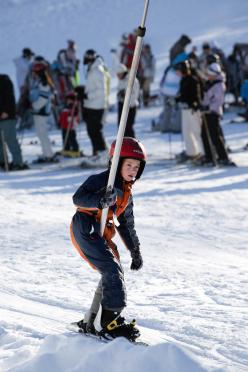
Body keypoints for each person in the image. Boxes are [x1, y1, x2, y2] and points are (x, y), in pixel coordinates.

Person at [70, 137, 146, 341]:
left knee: (112, 272)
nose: (133, 170)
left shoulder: (126, 194)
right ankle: (108, 323)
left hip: (102, 233)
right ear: (116, 164)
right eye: (128, 165)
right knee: (112, 270)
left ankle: (92, 320)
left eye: (137, 167)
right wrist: (100, 200)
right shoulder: (101, 180)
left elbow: (127, 225)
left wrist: (135, 250)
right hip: (86, 227)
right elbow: (78, 198)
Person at [202, 63, 235, 166]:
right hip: (206, 112)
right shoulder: (210, 83)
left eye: (210, 74)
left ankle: (223, 157)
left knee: (215, 135)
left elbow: (218, 101)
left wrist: (209, 107)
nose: (208, 76)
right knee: (204, 135)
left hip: (213, 113)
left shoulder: (219, 85)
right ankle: (209, 156)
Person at [82, 49, 109, 166]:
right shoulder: (92, 69)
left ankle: (103, 154)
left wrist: (87, 95)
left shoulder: (97, 70)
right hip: (91, 105)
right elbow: (92, 86)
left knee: (95, 130)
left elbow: (101, 91)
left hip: (96, 106)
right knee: (91, 130)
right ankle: (99, 153)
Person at [175, 60, 204, 163]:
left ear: (183, 70)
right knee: (187, 131)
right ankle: (191, 152)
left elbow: (197, 95)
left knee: (196, 131)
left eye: (178, 70)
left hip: (193, 110)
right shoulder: (183, 80)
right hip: (185, 109)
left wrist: (193, 104)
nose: (177, 73)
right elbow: (183, 95)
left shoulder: (193, 79)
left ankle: (204, 153)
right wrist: (176, 99)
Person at [29, 61, 57, 163]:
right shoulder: (39, 81)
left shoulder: (43, 83)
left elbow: (43, 99)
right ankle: (46, 153)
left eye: (34, 71)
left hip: (41, 111)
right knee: (41, 133)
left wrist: (33, 106)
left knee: (42, 133)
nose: (33, 73)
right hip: (38, 111)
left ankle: (49, 154)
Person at [0, 74, 28, 171]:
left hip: (6, 116)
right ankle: (2, 161)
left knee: (10, 139)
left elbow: (8, 97)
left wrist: (6, 111)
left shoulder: (4, 81)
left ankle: (18, 162)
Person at [116, 64, 139, 137]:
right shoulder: (121, 80)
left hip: (131, 107)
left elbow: (135, 95)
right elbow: (119, 93)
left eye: (119, 74)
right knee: (121, 127)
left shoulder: (132, 80)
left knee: (128, 127)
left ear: (123, 72)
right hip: (122, 105)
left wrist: (125, 96)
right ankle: (125, 144)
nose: (117, 76)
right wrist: (120, 95)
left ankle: (133, 144)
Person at [58, 91, 80, 157]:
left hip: (71, 126)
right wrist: (59, 122)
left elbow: (76, 117)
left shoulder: (74, 108)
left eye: (70, 100)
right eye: (67, 100)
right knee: (65, 137)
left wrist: (73, 114)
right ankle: (66, 149)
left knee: (72, 138)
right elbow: (62, 116)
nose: (68, 101)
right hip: (64, 126)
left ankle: (75, 150)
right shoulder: (65, 107)